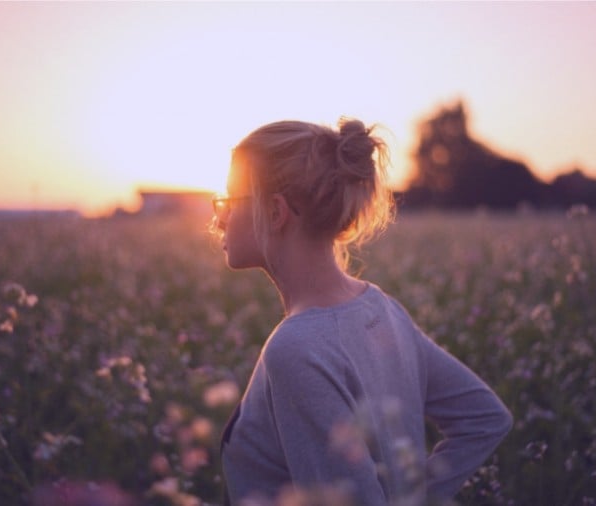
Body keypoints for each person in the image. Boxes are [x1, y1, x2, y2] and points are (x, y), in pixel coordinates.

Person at [213, 118, 512, 505]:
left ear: (275, 212)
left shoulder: (295, 349)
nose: (218, 218)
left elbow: (485, 420)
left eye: (229, 201)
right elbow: (485, 418)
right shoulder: (382, 309)